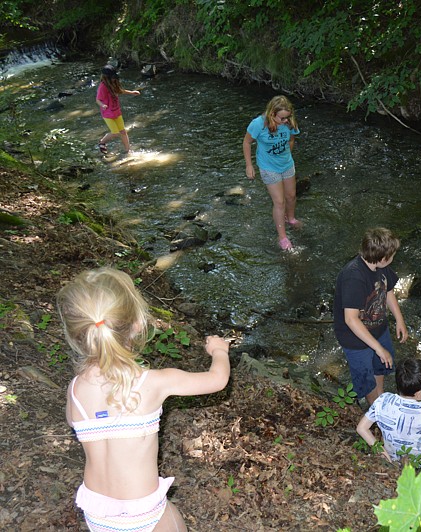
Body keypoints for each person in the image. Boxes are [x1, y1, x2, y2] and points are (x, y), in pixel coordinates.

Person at [57, 267, 230, 532]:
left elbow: (74, 420)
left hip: (97, 512)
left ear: (79, 332)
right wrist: (219, 350)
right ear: (137, 325)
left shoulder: (76, 389)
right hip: (143, 513)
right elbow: (217, 380)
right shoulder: (152, 383)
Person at [334, 227, 409, 405]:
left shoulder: (381, 268)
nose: (393, 258)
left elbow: (388, 291)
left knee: (380, 367)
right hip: (355, 339)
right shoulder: (354, 277)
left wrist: (400, 320)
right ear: (383, 258)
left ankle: (380, 396)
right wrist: (378, 348)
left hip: (379, 328)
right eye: (392, 255)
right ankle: (374, 410)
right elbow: (351, 319)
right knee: (366, 381)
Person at [356, 358, 421, 469]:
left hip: (393, 457)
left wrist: (381, 452)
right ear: (419, 393)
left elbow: (361, 428)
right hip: (417, 462)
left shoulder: (383, 400)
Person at [242, 95, 301, 250]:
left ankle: (291, 218)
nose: (285, 121)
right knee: (279, 202)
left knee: (291, 196)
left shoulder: (289, 123)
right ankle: (282, 237)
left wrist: (288, 154)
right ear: (272, 114)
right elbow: (247, 142)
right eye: (282, 118)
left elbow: (291, 140)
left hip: (287, 164)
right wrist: (249, 165)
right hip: (268, 167)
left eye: (287, 117)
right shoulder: (258, 124)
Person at [95, 64, 140, 155]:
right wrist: (103, 105)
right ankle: (102, 142)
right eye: (112, 78)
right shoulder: (102, 87)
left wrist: (131, 92)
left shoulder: (113, 82)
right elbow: (97, 100)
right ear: (106, 77)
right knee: (115, 133)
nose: (114, 79)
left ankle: (128, 150)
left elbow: (120, 90)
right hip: (108, 114)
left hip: (116, 111)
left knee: (123, 131)